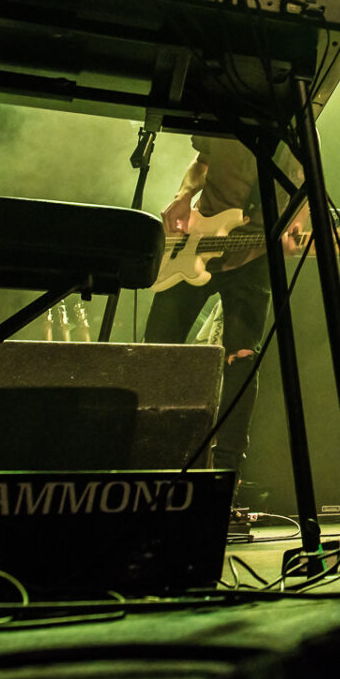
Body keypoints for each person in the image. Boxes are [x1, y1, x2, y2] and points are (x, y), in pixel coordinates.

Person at [143, 136, 273, 479]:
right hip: (197, 243)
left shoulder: (297, 134)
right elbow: (202, 163)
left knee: (242, 358)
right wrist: (183, 196)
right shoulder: (225, 123)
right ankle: (147, 449)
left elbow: (305, 192)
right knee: (157, 349)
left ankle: (227, 468)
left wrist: (295, 227)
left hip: (253, 255)